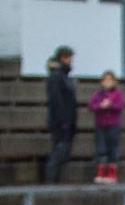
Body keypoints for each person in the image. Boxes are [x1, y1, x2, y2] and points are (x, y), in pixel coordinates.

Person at [45, 46, 77, 183]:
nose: (71, 61)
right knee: (59, 152)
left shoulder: (63, 76)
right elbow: (56, 100)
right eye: (68, 57)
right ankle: (51, 181)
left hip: (67, 122)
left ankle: (55, 181)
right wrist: (63, 120)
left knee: (63, 154)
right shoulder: (57, 76)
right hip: (61, 123)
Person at [88, 70, 125, 183]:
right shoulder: (98, 94)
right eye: (105, 80)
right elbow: (91, 106)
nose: (107, 82)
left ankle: (111, 174)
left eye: (110, 80)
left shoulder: (118, 94)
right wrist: (100, 106)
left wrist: (110, 105)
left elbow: (120, 106)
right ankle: (100, 173)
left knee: (113, 149)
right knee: (101, 149)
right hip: (101, 125)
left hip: (113, 126)